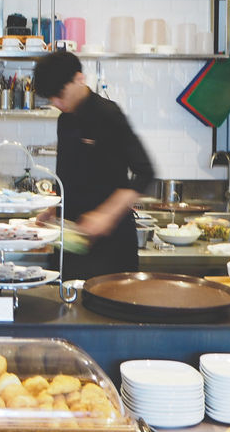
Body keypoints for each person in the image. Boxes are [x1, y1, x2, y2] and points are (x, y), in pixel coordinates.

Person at [33, 51, 156, 278]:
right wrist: (55, 211)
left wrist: (106, 215)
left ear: (79, 79)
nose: (57, 103)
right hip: (72, 243)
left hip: (112, 247)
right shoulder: (65, 120)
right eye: (51, 98)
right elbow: (75, 178)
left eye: (60, 95)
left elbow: (145, 172)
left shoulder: (108, 114)